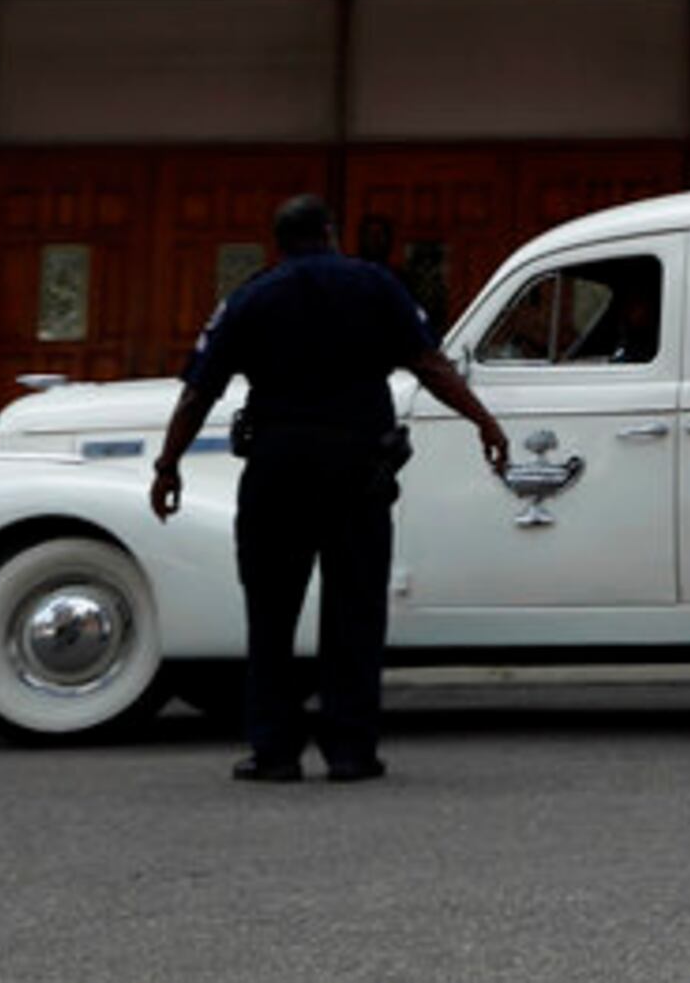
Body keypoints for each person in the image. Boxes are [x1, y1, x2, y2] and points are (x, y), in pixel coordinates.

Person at [149, 193, 511, 782]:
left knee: (270, 613)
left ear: (279, 241)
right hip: (358, 468)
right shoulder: (376, 286)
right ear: (332, 234)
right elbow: (431, 366)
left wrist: (168, 465)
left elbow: (199, 392)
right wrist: (484, 422)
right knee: (356, 611)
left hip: (277, 469)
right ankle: (350, 750)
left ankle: (274, 751)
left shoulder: (250, 297)